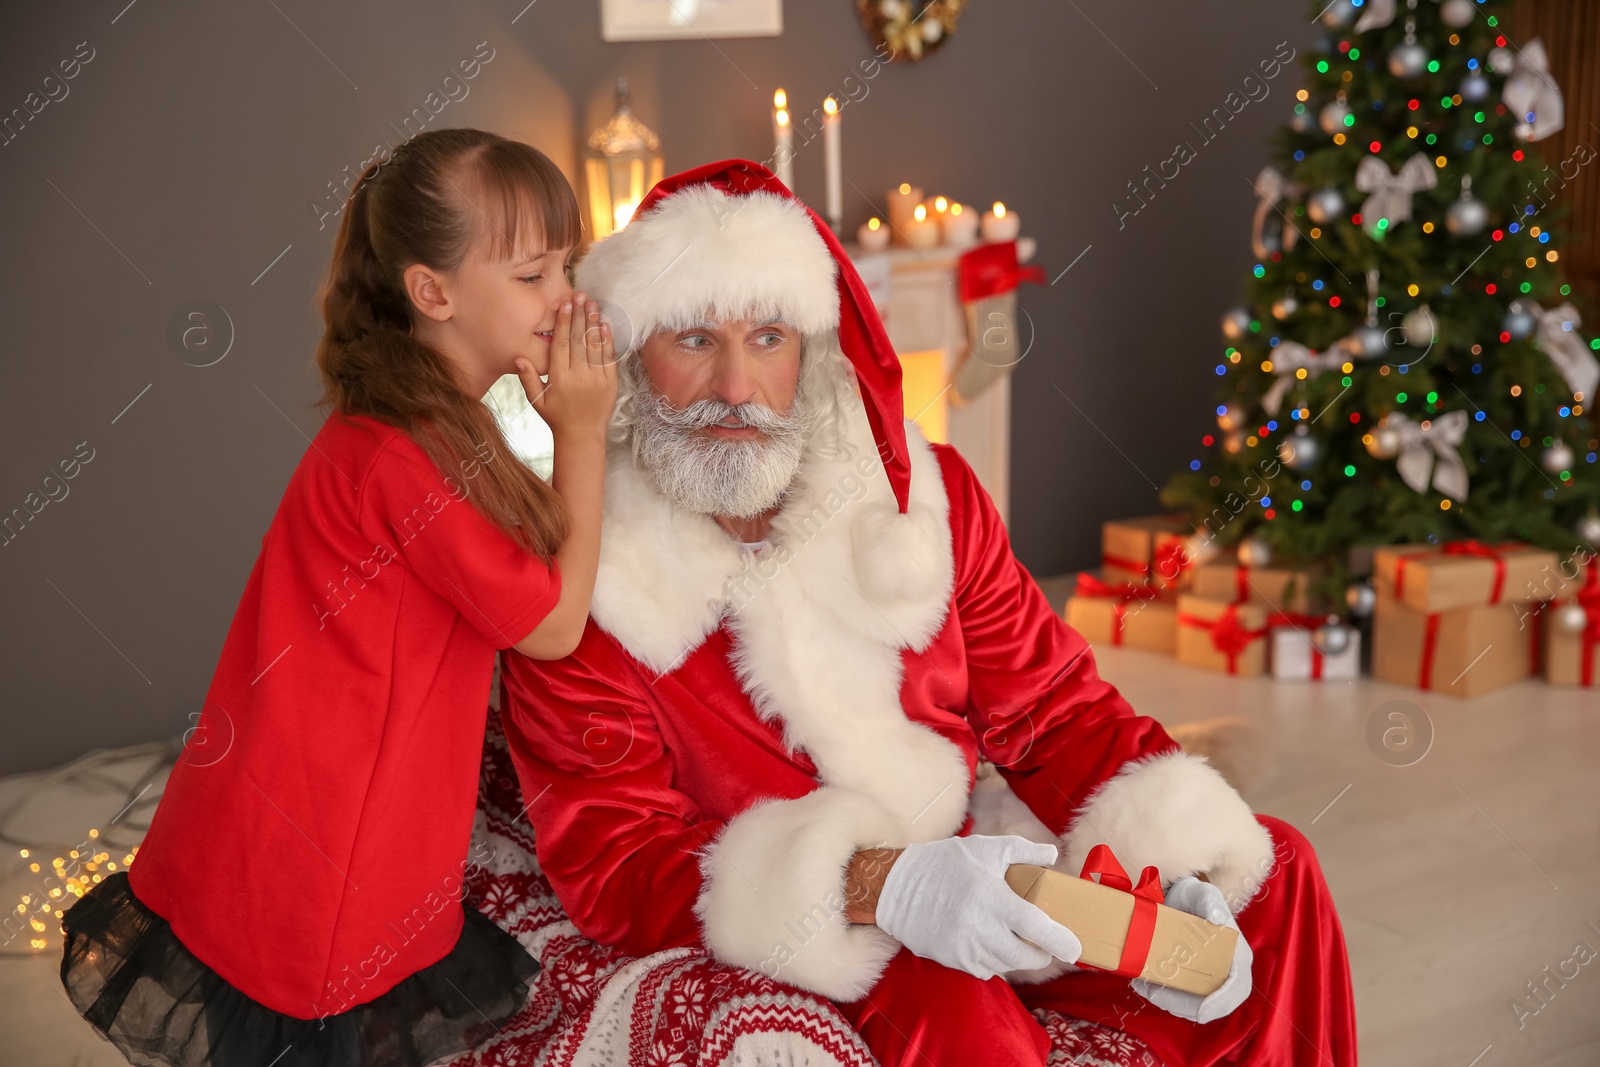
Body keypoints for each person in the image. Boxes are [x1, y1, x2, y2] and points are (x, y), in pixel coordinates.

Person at [495, 159, 1358, 1066]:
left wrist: (1178, 858)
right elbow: (618, 863)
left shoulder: (924, 503)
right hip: (816, 932)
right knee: (953, 1006)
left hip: (976, 874)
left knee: (1273, 871)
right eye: (695, 340)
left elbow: (1055, 712)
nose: (738, 387)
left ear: (812, 352)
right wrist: (881, 884)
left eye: (769, 337)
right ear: (632, 361)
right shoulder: (581, 582)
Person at [58, 128, 617, 1067]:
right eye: (532, 275)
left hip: (327, 836)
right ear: (431, 293)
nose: (564, 297)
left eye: (568, 265)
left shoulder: (420, 429)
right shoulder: (405, 460)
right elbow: (555, 627)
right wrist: (586, 433)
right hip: (315, 859)